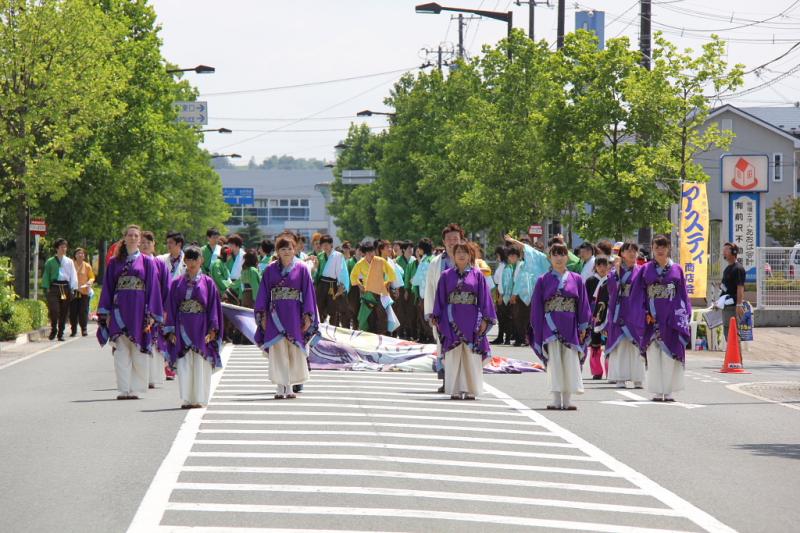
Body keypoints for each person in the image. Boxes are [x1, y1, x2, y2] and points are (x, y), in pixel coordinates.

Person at [97, 225, 163, 400]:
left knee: (138, 350)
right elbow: (108, 288)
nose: (133, 238)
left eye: (136, 235)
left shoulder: (147, 262)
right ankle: (124, 389)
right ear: (124, 238)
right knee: (121, 351)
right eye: (130, 235)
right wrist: (106, 312)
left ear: (140, 240)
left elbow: (153, 288)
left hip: (139, 311)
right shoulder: (114, 262)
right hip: (119, 311)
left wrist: (152, 313)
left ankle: (136, 388)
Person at [254, 233, 319, 399]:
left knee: (293, 350)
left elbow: (309, 294)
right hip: (275, 315)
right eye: (283, 249)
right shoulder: (269, 270)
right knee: (278, 350)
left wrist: (307, 316)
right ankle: (279, 386)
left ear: (295, 249)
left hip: (294, 314)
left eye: (289, 248)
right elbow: (263, 294)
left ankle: (289, 386)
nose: (287, 252)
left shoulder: (302, 269)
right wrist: (262, 316)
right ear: (278, 251)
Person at [530, 242, 592, 411]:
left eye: (562, 254)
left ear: (567, 257)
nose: (558, 258)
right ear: (549, 258)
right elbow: (536, 306)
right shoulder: (542, 280)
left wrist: (583, 327)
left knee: (570, 360)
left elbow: (583, 305)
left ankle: (568, 398)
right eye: (555, 255)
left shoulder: (577, 279)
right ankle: (556, 398)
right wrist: (538, 327)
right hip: (550, 325)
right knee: (555, 361)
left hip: (571, 325)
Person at [630, 234, 691, 402]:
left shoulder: (677, 269)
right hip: (652, 319)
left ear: (669, 248)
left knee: (670, 354)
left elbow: (683, 296)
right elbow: (637, 295)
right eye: (657, 247)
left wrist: (683, 316)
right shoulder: (645, 270)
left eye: (663, 247)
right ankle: (657, 390)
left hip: (671, 319)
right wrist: (643, 313)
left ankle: (669, 390)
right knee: (654, 355)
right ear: (652, 249)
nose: (660, 250)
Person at [431, 242, 496, 400]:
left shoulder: (478, 275)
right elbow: (440, 297)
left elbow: (484, 299)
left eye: (464, 252)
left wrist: (485, 320)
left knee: (470, 355)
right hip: (451, 318)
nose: (461, 255)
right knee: (454, 355)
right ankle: (454, 388)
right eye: (458, 252)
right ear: (453, 255)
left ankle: (470, 389)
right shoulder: (446, 275)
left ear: (470, 256)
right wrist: (436, 315)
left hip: (471, 318)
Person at [163, 246, 223, 408]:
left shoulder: (208, 283)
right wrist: (170, 331)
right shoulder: (176, 283)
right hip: (182, 326)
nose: (192, 262)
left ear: (201, 260)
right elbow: (171, 308)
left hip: (202, 326)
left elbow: (213, 307)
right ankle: (187, 399)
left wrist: (212, 329)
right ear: (185, 261)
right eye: (188, 259)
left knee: (200, 362)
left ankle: (199, 399)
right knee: (184, 363)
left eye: (195, 258)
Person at [425, 224, 465, 391]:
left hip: (464, 312)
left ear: (461, 240)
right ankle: (446, 380)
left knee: (463, 346)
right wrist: (430, 313)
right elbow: (430, 288)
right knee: (444, 345)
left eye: (455, 239)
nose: (451, 242)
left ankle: (462, 381)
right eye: (448, 239)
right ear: (443, 241)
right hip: (442, 312)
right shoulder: (436, 262)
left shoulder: (468, 260)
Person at [605, 241, 646, 389]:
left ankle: (638, 378)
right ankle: (619, 377)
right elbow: (610, 288)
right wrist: (615, 273)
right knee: (620, 345)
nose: (631, 253)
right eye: (628, 251)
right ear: (621, 253)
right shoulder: (615, 271)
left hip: (636, 311)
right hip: (619, 310)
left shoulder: (641, 271)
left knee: (636, 346)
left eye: (634, 251)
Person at [141, 231, 170, 389]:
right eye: (143, 242)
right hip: (139, 309)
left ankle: (154, 376)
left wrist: (165, 309)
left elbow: (167, 287)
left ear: (154, 245)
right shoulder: (135, 262)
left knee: (156, 343)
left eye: (149, 242)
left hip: (156, 309)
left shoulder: (159, 264)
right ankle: (140, 376)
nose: (145, 245)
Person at [349, 241, 398, 335]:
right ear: (364, 253)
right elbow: (353, 276)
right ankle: (371, 336)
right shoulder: (360, 263)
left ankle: (382, 335)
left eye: (372, 252)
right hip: (368, 293)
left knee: (382, 315)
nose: (371, 254)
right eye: (368, 252)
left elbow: (391, 273)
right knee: (369, 316)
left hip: (381, 293)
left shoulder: (380, 261)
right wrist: (360, 286)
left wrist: (387, 283)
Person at [42, 238, 79, 341]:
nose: (64, 249)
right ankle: (54, 328)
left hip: (65, 288)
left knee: (64, 311)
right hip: (54, 287)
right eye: (62, 247)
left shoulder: (69, 261)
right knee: (54, 310)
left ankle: (60, 333)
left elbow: (73, 275)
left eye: (65, 247)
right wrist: (46, 288)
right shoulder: (50, 262)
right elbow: (46, 275)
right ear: (57, 248)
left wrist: (73, 289)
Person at [314, 234, 350, 326]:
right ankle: (319, 328)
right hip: (322, 284)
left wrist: (341, 286)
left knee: (333, 309)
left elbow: (342, 272)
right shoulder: (320, 256)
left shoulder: (338, 255)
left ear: (331, 244)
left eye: (327, 244)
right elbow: (317, 271)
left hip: (332, 284)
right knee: (319, 307)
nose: (325, 246)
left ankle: (333, 329)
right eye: (323, 244)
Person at [585, 256, 610, 380]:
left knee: (609, 343)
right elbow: (586, 299)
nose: (602, 268)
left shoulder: (611, 280)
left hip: (608, 313)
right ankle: (597, 371)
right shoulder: (590, 281)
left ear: (608, 266)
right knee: (595, 343)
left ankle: (610, 370)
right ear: (595, 267)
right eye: (599, 265)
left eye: (604, 265)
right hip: (594, 314)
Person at [720, 242, 746, 343]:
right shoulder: (727, 269)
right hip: (726, 305)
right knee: (727, 331)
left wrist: (739, 304)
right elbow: (724, 287)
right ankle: (732, 357)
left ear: (734, 252)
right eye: (724, 250)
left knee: (734, 332)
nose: (724, 252)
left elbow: (740, 287)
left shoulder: (738, 269)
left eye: (726, 250)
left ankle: (736, 358)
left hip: (733, 305)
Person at [411, 238, 435, 343]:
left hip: (425, 295)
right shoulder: (434, 259)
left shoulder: (424, 261)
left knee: (426, 319)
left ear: (421, 250)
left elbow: (417, 280)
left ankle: (431, 339)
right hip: (434, 294)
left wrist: (412, 280)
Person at [68, 248, 94, 337]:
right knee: (73, 311)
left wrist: (89, 282)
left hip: (84, 291)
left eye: (82, 254)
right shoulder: (71, 265)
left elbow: (91, 277)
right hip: (73, 291)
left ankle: (84, 329)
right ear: (75, 255)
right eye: (78, 253)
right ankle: (73, 330)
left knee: (83, 311)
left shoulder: (87, 266)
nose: (80, 255)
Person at [491, 246, 512, 345]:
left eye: (497, 255)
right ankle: (503, 337)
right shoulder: (504, 265)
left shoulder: (504, 266)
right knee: (504, 317)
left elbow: (503, 282)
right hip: (502, 293)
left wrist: (500, 296)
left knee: (504, 317)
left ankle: (503, 337)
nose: (497, 257)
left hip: (502, 294)